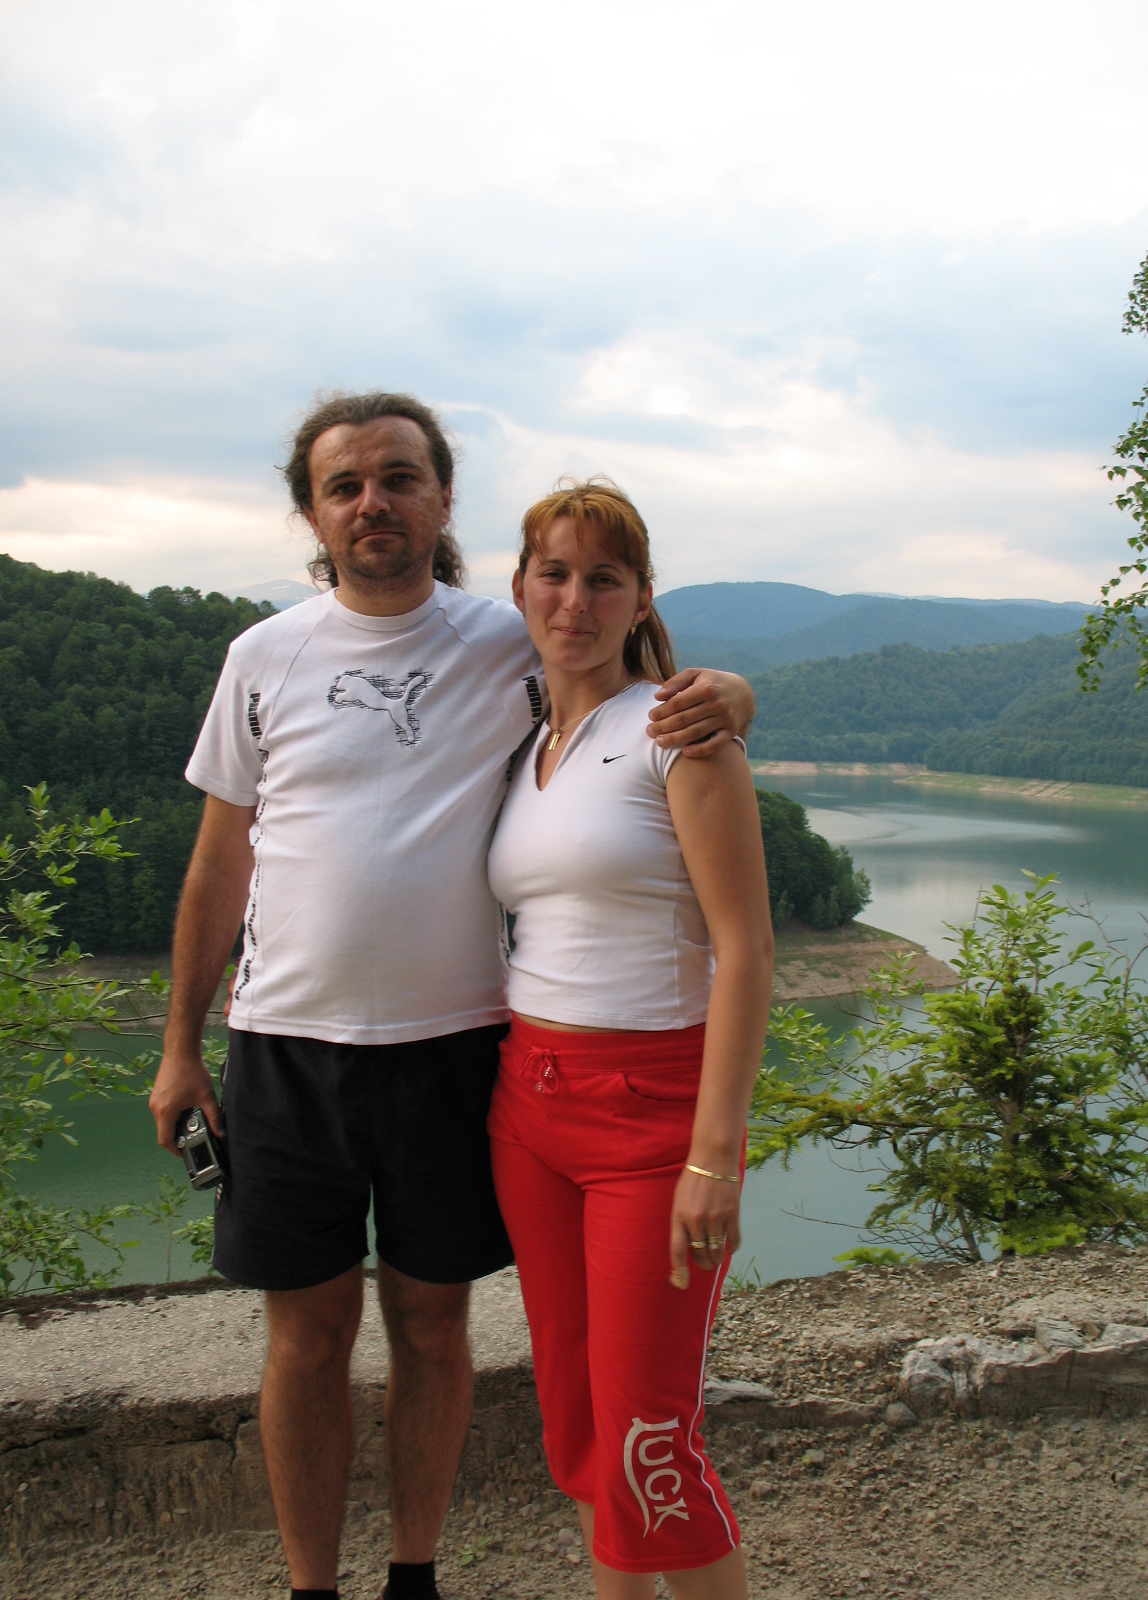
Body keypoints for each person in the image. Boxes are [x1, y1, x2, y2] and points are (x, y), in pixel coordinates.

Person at [146, 392, 757, 1600]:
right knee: (306, 1337)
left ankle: (414, 1577)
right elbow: (220, 867)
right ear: (312, 512)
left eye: (399, 477)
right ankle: (312, 1586)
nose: (372, 501)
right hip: (285, 1047)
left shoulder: (506, 636)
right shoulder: (262, 657)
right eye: (344, 484)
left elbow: (634, 677)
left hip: (455, 1049)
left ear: (441, 497)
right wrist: (178, 1045)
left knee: (434, 1325)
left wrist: (731, 695)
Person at [486, 478, 774, 1599]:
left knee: (652, 1444)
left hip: (651, 1119)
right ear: (520, 587)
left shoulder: (679, 734)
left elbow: (747, 950)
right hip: (529, 1108)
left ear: (642, 597)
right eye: (554, 574)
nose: (575, 600)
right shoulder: (525, 739)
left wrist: (715, 1154)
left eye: (603, 579)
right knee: (583, 1424)